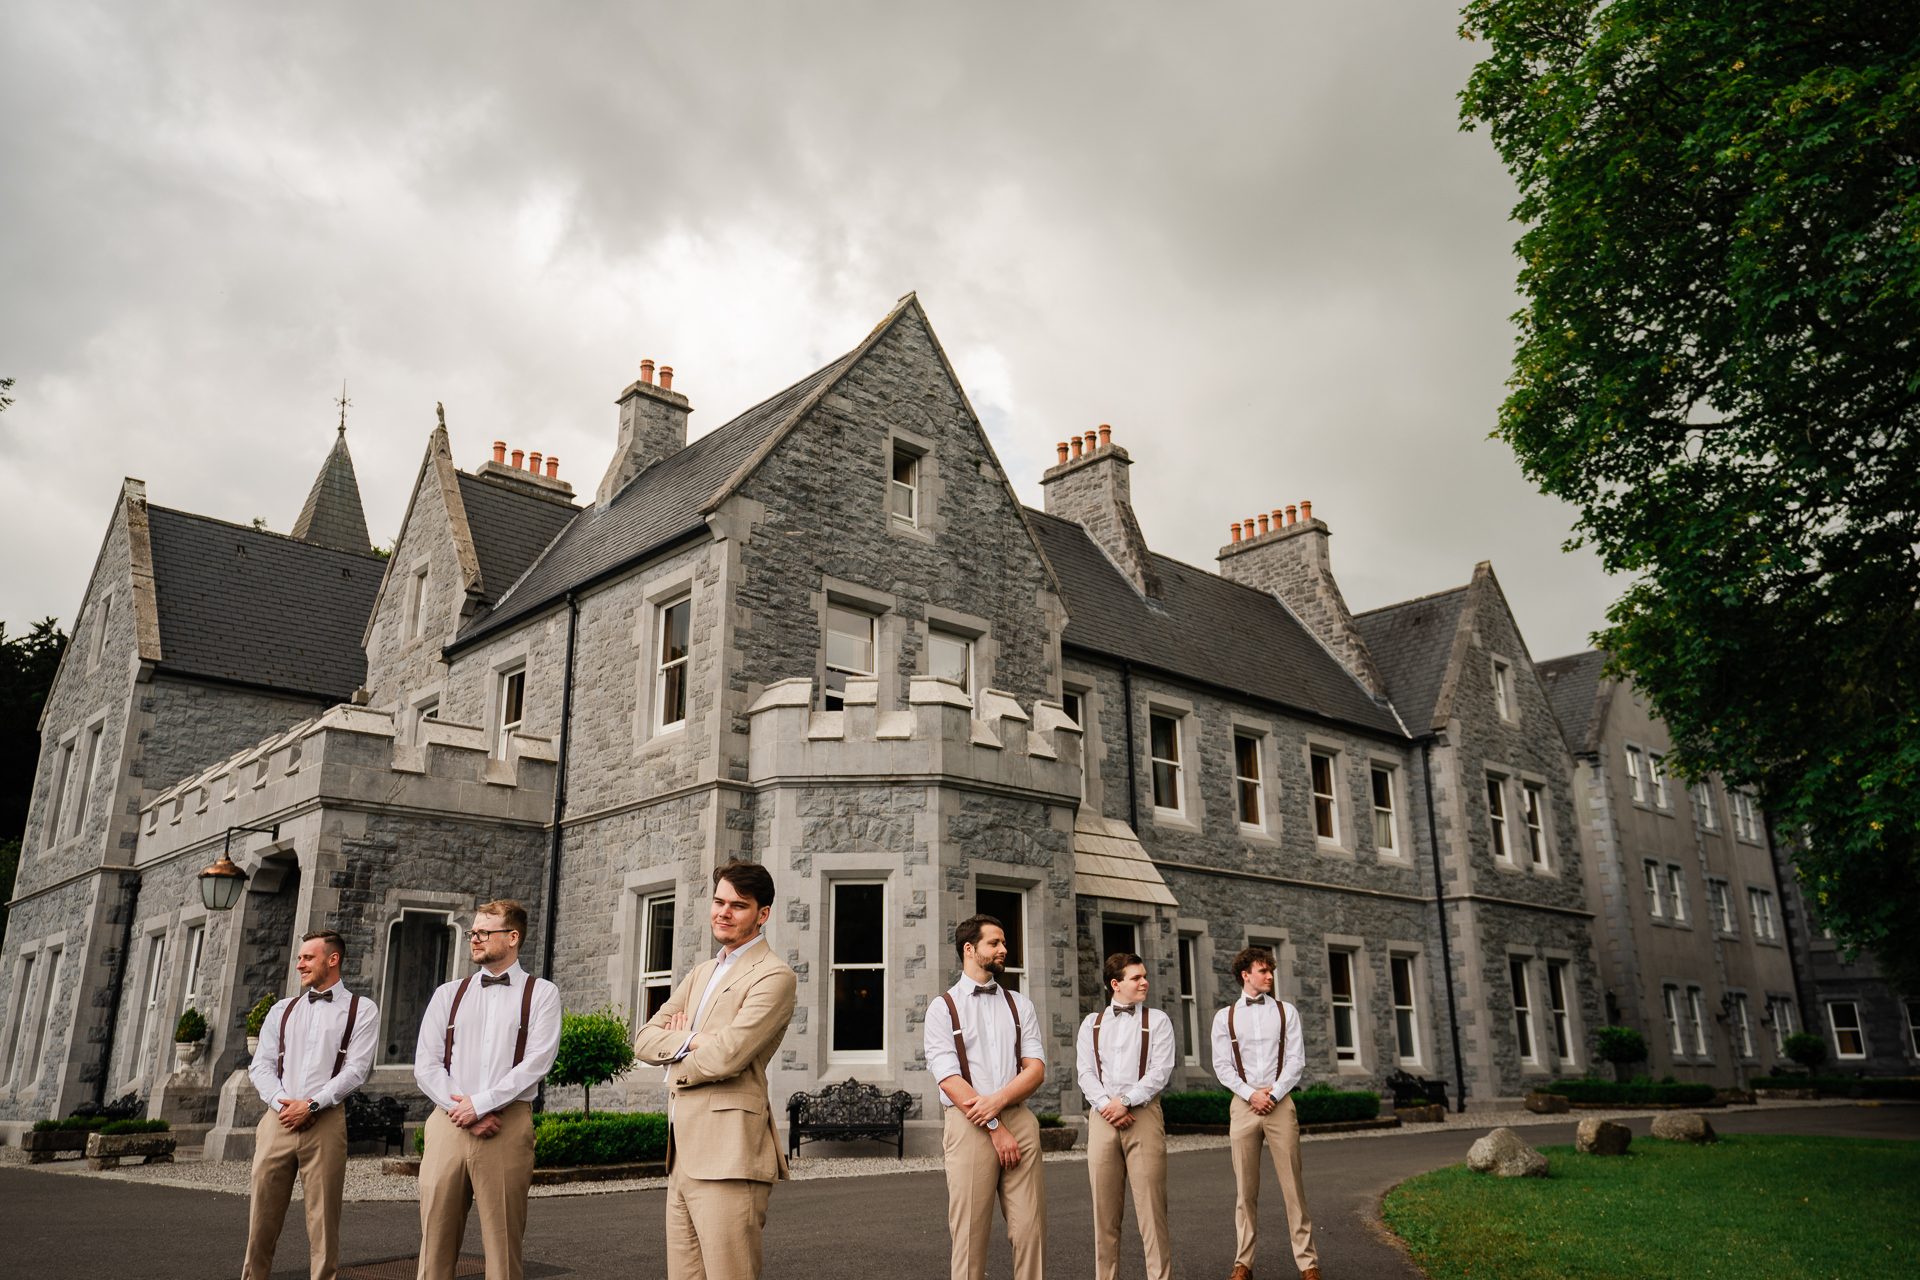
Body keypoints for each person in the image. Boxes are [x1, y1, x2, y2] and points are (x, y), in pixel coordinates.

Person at [633, 862, 797, 1280]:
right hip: (682, 1157)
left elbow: (728, 1056)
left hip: (730, 1155)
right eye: (719, 901)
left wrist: (678, 1049)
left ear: (763, 914)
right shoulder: (702, 972)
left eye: (738, 906)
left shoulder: (775, 976)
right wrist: (694, 1039)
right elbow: (644, 1040)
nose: (723, 912)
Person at [413, 899, 562, 1280]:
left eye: (483, 932)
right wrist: (462, 1109)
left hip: (507, 1125)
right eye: (472, 933)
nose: (474, 939)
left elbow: (537, 1063)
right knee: (434, 1244)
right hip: (448, 1123)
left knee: (503, 1247)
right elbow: (426, 1064)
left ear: (512, 938)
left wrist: (481, 1104)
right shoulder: (449, 993)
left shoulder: (542, 993)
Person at [241, 929, 378, 1280]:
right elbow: (261, 1066)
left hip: (326, 1121)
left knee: (323, 1222)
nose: (299, 963)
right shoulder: (282, 1010)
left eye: (307, 957)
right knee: (261, 1219)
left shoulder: (361, 1010)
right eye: (300, 957)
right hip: (278, 1120)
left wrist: (313, 1105)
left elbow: (356, 1071)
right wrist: (283, 1102)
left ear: (332, 960)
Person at [924, 913, 1048, 1280]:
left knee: (1030, 1231)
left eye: (1004, 943)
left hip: (1019, 1120)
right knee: (969, 1237)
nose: (1003, 949)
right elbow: (948, 1078)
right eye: (995, 943)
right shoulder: (942, 1008)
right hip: (969, 1126)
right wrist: (993, 1122)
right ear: (969, 949)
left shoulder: (1019, 1004)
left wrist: (999, 1105)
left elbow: (1036, 1069)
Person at [1211, 945, 1321, 1280]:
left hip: (1280, 1103)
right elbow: (1221, 1066)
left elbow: (1296, 1061)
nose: (1270, 975)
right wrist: (1250, 1095)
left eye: (1270, 970)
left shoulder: (1287, 1012)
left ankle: (1308, 1264)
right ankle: (1243, 1263)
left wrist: (1272, 1094)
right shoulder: (1224, 1017)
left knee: (1293, 1187)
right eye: (1263, 971)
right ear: (1246, 975)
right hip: (1243, 1106)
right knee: (1245, 1191)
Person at [1075, 951, 1176, 1280]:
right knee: (1104, 1216)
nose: (1145, 981)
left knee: (1152, 1212)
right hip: (1102, 1119)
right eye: (1136, 977)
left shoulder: (1158, 1021)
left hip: (1144, 1116)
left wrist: (1127, 1101)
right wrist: (1107, 1104)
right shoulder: (1091, 1024)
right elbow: (1085, 1072)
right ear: (1115, 984)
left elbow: (1160, 1071)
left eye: (1144, 975)